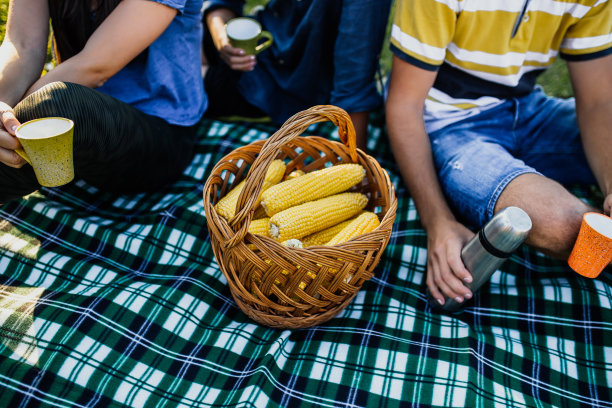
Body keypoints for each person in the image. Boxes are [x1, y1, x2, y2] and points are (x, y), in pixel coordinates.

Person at [385, 0, 612, 307]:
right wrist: (438, 222)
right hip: (451, 122)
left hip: (530, 110)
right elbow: (403, 107)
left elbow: (599, 102)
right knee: (564, 225)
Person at [0, 0, 206, 204]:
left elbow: (94, 67)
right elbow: (23, 44)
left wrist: (15, 122)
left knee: (55, 105)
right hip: (81, 139)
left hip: (159, 135)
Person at [201, 0, 391, 150]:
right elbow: (222, 4)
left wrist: (356, 165)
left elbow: (353, 87)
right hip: (263, 44)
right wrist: (222, 41)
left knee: (182, 79)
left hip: (284, 88)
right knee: (183, 35)